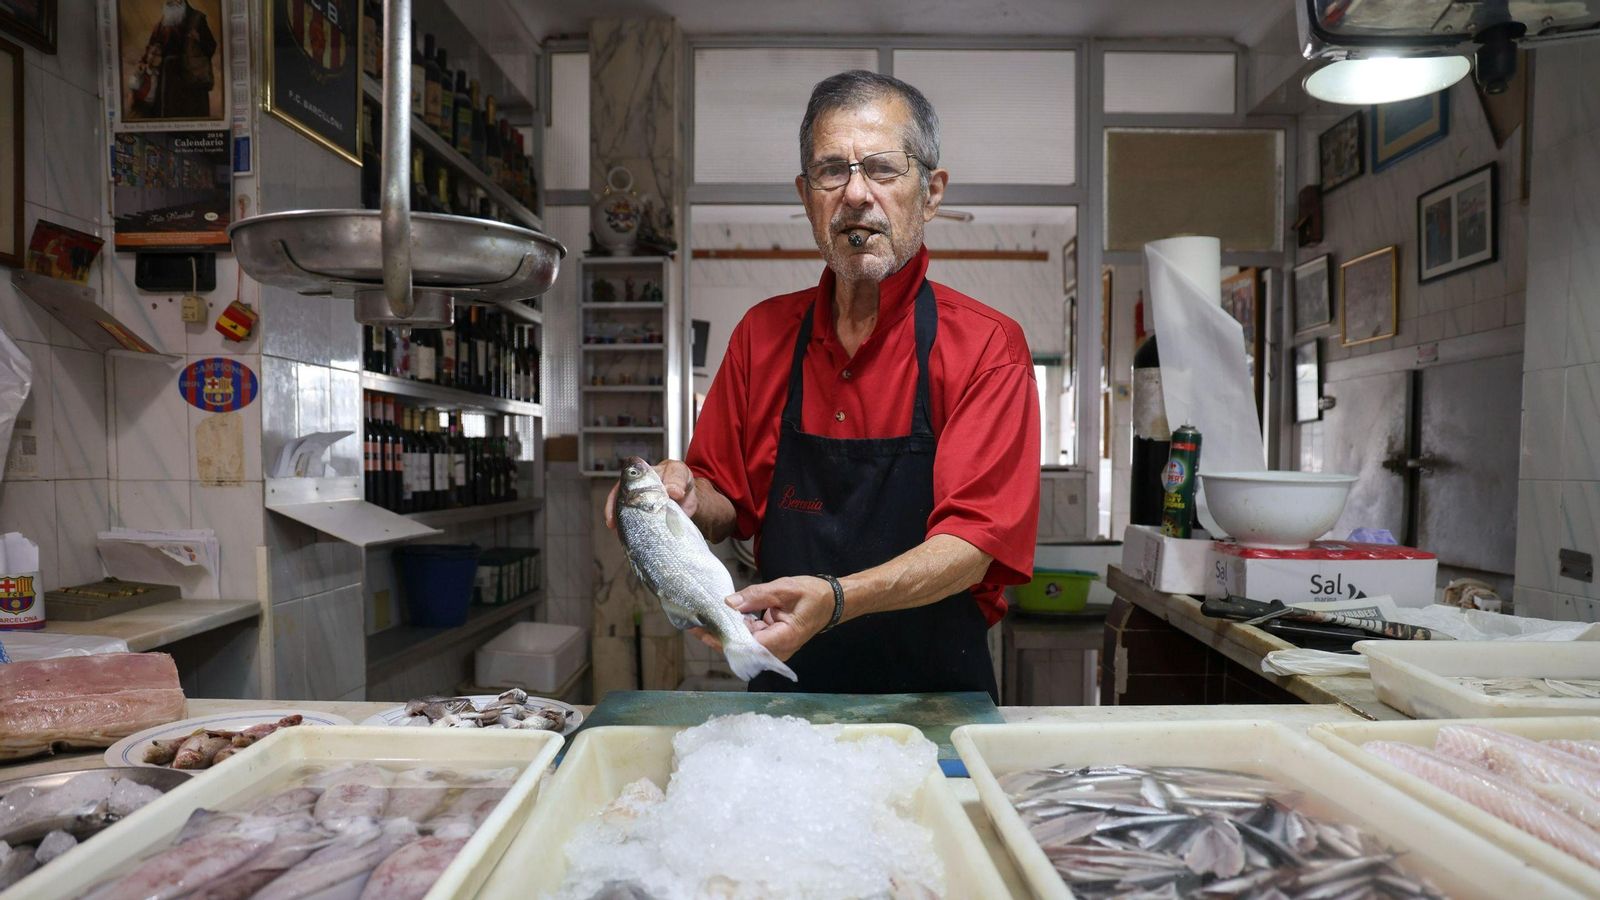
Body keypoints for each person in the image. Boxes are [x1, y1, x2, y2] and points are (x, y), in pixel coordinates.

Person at [607, 70, 1040, 700]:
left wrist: (836, 601)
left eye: (884, 169)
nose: (857, 194)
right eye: (831, 171)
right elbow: (725, 498)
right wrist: (682, 501)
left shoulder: (986, 347)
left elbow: (973, 543)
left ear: (932, 192)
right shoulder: (761, 336)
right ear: (806, 195)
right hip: (787, 690)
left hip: (937, 697)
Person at [129, 0, 217, 120]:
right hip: (166, 81)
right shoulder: (161, 23)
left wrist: (198, 39)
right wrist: (144, 61)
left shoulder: (197, 18)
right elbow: (152, 46)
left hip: (190, 79)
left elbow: (210, 46)